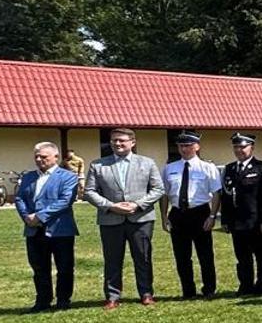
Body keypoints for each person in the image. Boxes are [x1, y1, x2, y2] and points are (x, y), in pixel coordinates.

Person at [84, 128, 165, 308]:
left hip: (141, 219)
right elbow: (89, 191)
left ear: (132, 142)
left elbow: (158, 189)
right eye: (114, 141)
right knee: (112, 259)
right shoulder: (98, 165)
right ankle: (112, 296)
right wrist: (111, 206)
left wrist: (137, 204)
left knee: (143, 257)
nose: (117, 144)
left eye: (121, 140)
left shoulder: (147, 163)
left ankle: (146, 293)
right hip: (111, 219)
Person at [15, 141, 78, 311]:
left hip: (60, 229)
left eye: (43, 156)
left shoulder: (68, 177)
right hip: (34, 230)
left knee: (64, 267)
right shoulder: (28, 177)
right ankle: (42, 300)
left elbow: (65, 201)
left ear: (55, 157)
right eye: (36, 156)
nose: (39, 159)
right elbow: (19, 198)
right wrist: (27, 217)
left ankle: (63, 300)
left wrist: (40, 216)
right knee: (39, 267)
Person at [161, 131, 222, 299]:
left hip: (200, 213)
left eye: (187, 145)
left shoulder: (207, 167)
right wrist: (164, 217)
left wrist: (212, 216)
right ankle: (188, 290)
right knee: (182, 256)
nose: (184, 149)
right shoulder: (169, 168)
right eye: (180, 146)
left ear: (197, 146)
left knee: (205, 255)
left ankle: (209, 289)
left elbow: (216, 193)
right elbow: (165, 194)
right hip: (178, 214)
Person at [221, 133, 262, 295]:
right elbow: (226, 196)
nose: (239, 150)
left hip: (256, 221)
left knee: (261, 256)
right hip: (237, 222)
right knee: (242, 256)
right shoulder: (230, 169)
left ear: (252, 147)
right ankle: (245, 285)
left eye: (243, 146)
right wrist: (225, 220)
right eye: (236, 147)